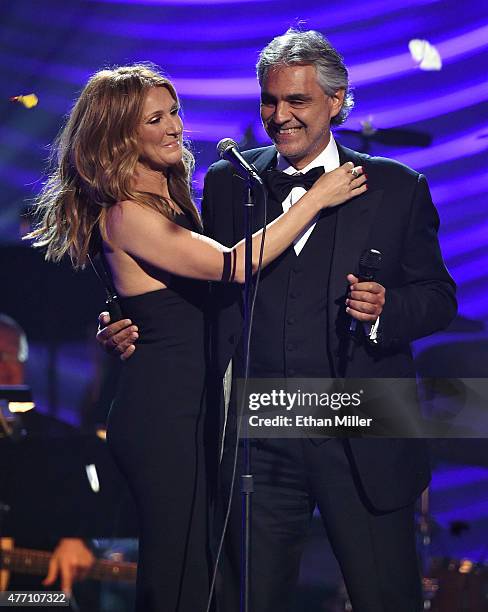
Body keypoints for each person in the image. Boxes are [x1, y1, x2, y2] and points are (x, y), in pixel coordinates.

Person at [98, 31, 457, 611]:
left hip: (359, 427)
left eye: (297, 102)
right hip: (257, 437)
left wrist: (388, 308)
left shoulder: (396, 187)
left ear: (337, 102)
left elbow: (439, 296)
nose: (279, 116)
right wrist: (123, 315)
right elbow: (180, 271)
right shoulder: (228, 181)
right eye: (269, 101)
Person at [26, 63, 366, 612]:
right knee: (177, 572)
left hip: (200, 404)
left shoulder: (173, 199)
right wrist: (318, 198)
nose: (174, 127)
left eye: (174, 111)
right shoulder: (124, 214)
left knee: (205, 572)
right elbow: (234, 266)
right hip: (163, 413)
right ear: (118, 136)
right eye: (154, 119)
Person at [0, 314, 95, 597]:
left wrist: (76, 536)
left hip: (28, 589)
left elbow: (84, 495)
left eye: (14, 355)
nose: (5, 367)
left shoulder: (56, 436)